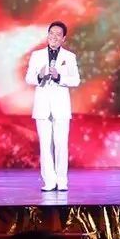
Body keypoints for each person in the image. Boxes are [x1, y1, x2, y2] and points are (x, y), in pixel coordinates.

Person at [25, 21, 81, 191]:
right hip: (42, 106)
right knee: (45, 145)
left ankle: (62, 181)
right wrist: (40, 75)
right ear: (47, 35)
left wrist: (58, 77)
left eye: (58, 34)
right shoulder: (37, 55)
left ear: (63, 38)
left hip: (61, 107)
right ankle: (49, 181)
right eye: (51, 33)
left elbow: (76, 80)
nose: (54, 37)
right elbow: (28, 78)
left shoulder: (69, 57)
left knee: (61, 144)